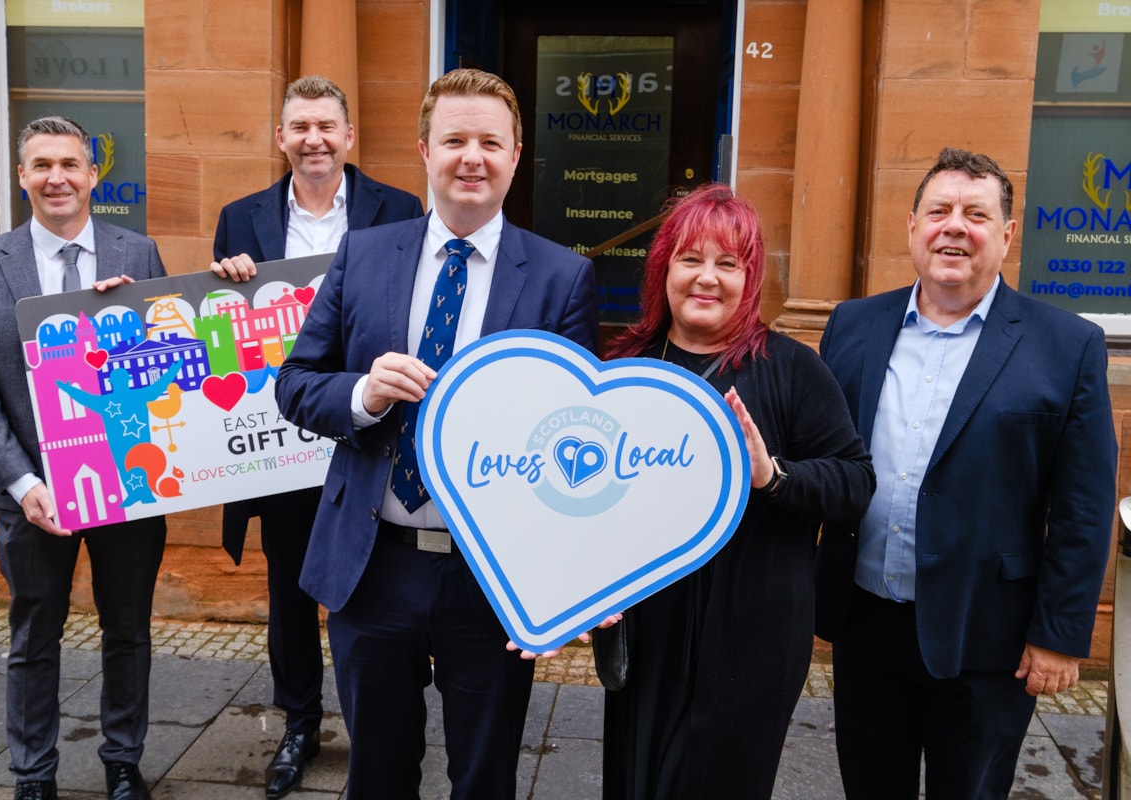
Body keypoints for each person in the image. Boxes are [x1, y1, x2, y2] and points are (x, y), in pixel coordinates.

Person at [274, 68, 599, 798]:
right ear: (424, 149)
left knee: (484, 778)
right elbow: (294, 383)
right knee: (377, 776)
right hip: (373, 565)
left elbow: (581, 441)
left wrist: (569, 583)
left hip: (491, 577)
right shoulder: (363, 255)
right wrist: (361, 393)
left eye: (491, 141)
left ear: (517, 156)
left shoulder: (560, 278)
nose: (472, 157)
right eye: (455, 139)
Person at [816, 147, 1117, 800]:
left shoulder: (1067, 346)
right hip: (868, 625)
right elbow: (820, 458)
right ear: (912, 226)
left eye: (976, 214)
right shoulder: (853, 324)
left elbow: (1084, 506)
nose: (954, 226)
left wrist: (1060, 636)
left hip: (990, 637)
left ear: (1007, 235)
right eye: (939, 210)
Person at [598, 183, 875, 799]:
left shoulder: (791, 369)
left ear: (749, 280)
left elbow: (855, 481)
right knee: (636, 779)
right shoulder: (624, 371)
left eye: (728, 263)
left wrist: (772, 477)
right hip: (648, 625)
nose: (707, 278)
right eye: (690, 259)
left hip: (751, 631)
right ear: (662, 268)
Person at [208, 73, 423, 800]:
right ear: (281, 137)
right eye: (299, 126)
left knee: (377, 585)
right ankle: (300, 720)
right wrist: (223, 286)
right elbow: (218, 334)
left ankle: (383, 717)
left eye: (326, 126)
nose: (314, 139)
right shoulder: (240, 218)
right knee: (292, 590)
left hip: (370, 435)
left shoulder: (401, 210)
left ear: (349, 136)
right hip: (282, 441)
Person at [0, 116, 168, 800]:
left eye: (70, 164)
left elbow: (169, 369)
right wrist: (20, 483)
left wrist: (128, 326)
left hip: (126, 483)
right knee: (33, 638)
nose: (57, 178)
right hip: (31, 492)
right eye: (41, 165)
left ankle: (123, 760)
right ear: (22, 177)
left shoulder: (138, 253)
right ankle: (32, 774)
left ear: (92, 175)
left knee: (128, 629)